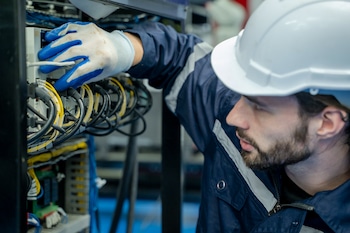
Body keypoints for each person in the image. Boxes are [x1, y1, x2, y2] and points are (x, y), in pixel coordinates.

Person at [38, 0, 350, 232]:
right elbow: (180, 57)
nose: (233, 117)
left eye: (259, 106)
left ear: (328, 122)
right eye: (240, 93)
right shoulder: (236, 122)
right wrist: (120, 47)